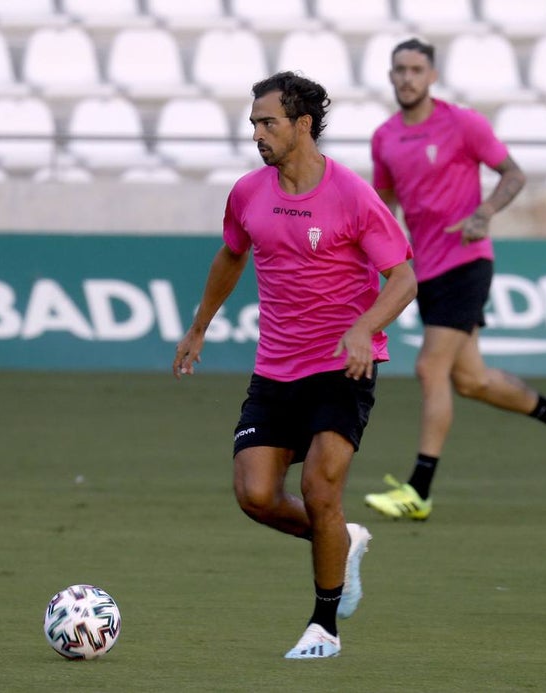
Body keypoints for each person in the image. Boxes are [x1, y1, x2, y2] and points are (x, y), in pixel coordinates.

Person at [173, 72, 416, 659]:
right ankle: (343, 540)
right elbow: (232, 254)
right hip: (276, 369)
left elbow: (404, 277)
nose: (256, 133)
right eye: (254, 122)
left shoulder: (353, 195)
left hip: (343, 367)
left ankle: (324, 627)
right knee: (255, 495)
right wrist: (199, 325)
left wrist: (364, 327)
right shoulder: (248, 192)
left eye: (268, 122)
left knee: (319, 488)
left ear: (302, 125)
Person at [363, 37, 546, 521]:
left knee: (430, 368)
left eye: (416, 69)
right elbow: (385, 207)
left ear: (432, 76)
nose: (407, 77)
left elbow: (513, 174)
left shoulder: (462, 122)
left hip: (467, 262)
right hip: (424, 269)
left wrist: (484, 213)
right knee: (471, 380)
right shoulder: (384, 137)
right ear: (390, 76)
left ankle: (419, 489)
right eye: (399, 69)